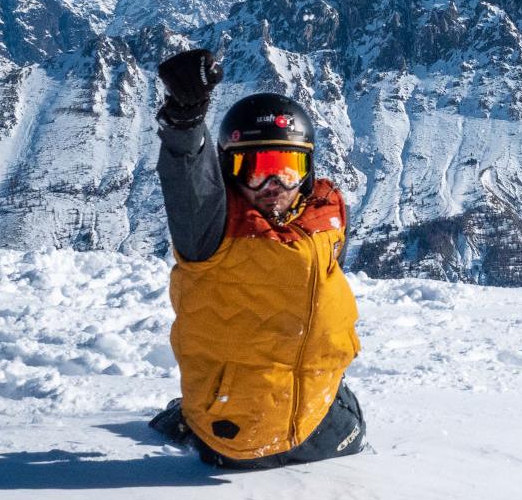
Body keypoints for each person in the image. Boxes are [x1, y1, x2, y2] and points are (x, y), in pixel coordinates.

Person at [145, 48, 366, 469]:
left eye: (286, 168)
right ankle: (194, 421)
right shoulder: (210, 230)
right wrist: (185, 119)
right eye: (254, 168)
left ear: (307, 170)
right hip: (237, 438)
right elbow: (186, 177)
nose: (272, 184)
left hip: (317, 414)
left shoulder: (324, 218)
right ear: (228, 171)